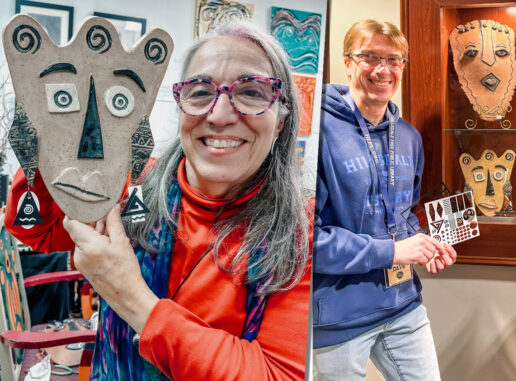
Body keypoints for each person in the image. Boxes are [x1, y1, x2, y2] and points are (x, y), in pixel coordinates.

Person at [5, 21, 311, 380]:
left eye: (252, 92)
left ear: (281, 120)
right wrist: (54, 132)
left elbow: (276, 374)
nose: (220, 115)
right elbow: (38, 230)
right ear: (180, 105)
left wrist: (132, 298)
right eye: (199, 91)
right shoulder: (135, 187)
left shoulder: (303, 237)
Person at [313, 20, 456, 380]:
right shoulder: (318, 134)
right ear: (347, 62)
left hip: (403, 304)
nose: (383, 70)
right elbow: (307, 242)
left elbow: (403, 216)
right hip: (339, 317)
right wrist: (391, 252)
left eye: (394, 60)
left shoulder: (408, 137)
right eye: (370, 57)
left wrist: (426, 243)